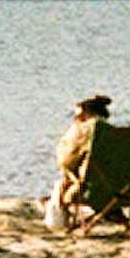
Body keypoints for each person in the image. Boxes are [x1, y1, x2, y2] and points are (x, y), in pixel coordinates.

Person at [48, 94, 111, 232]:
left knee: (67, 180)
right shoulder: (117, 134)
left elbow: (65, 160)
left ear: (86, 113)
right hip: (125, 188)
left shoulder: (83, 130)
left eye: (78, 116)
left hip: (91, 189)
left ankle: (65, 224)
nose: (77, 119)